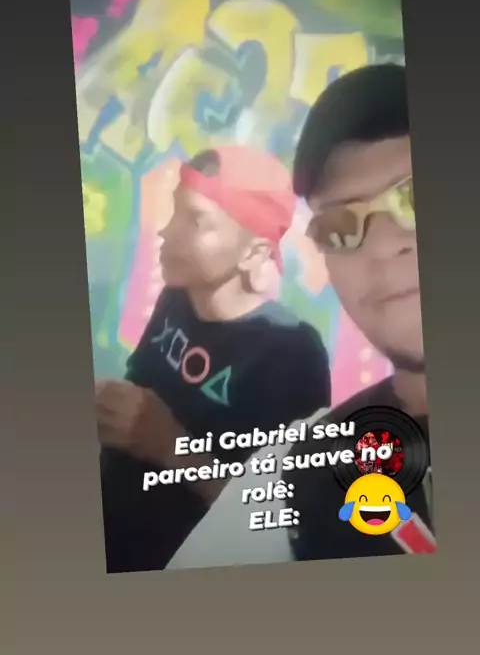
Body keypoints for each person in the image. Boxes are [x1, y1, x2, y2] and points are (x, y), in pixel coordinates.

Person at [166, 63, 434, 570]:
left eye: (415, 196)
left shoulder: (289, 351)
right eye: (339, 227)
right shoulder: (297, 465)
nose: (382, 245)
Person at [96, 145, 331, 573]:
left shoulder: (291, 355)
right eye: (175, 211)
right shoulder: (177, 296)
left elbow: (276, 522)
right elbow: (135, 395)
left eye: (196, 220)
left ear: (253, 253)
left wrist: (173, 448)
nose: (167, 231)